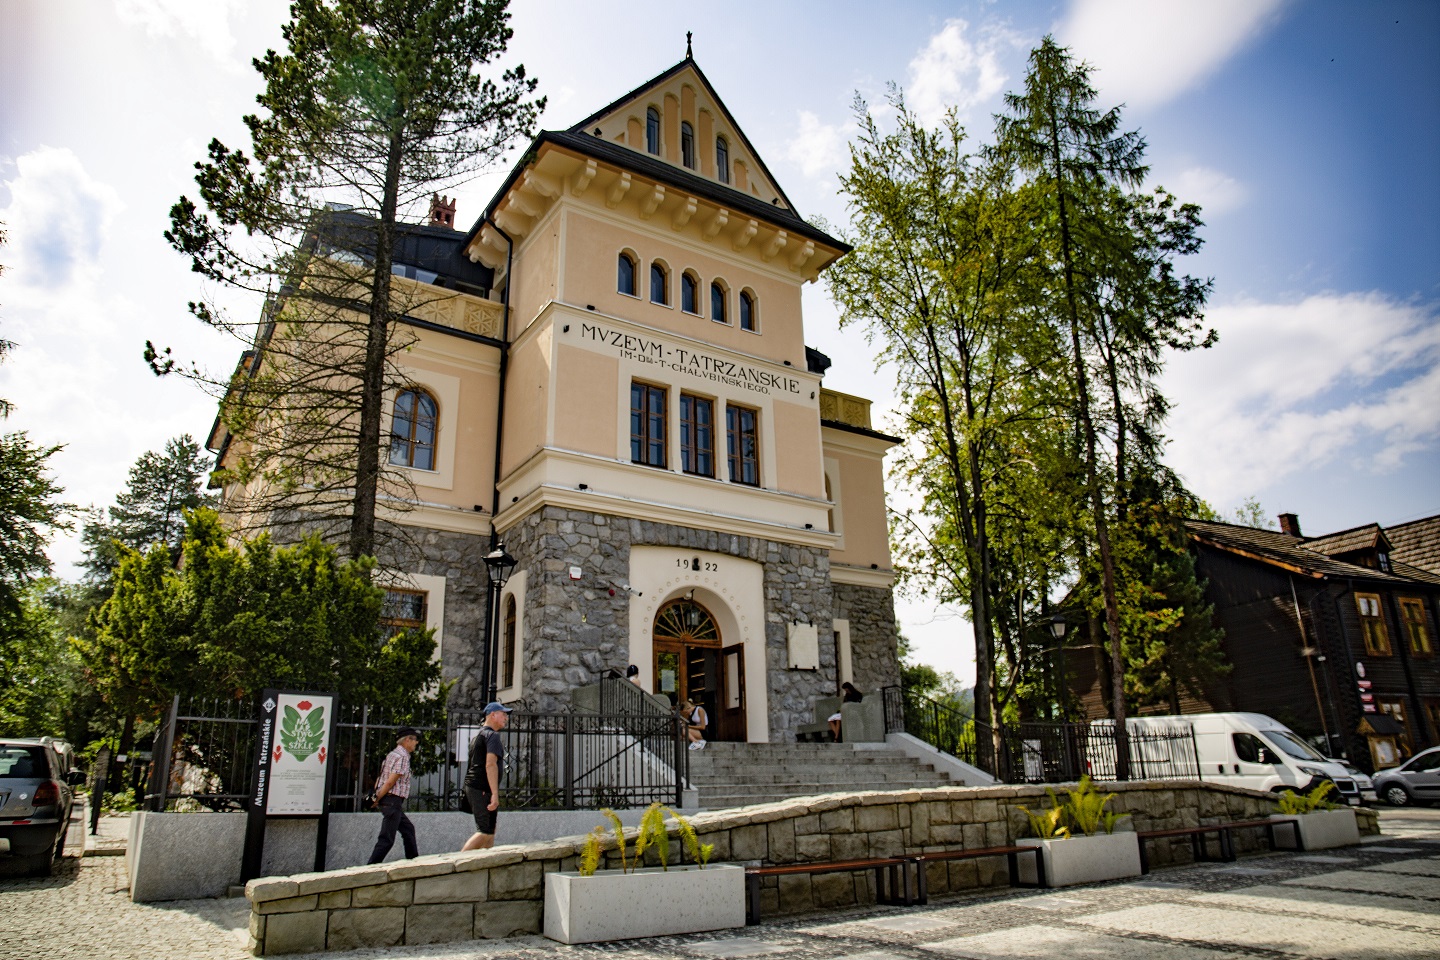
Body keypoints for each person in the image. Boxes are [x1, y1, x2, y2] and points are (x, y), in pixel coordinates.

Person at [460, 701, 512, 851]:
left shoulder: (479, 736)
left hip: (477, 787)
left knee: (490, 831)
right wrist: (495, 794)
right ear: (493, 715)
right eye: (503, 714)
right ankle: (456, 863)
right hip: (481, 788)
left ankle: (486, 864)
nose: (506, 718)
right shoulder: (492, 736)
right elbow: (490, 764)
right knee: (484, 832)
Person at [367, 727, 420, 864]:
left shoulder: (392, 754)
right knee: (386, 839)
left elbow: (381, 778)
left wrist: (377, 796)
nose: (417, 743)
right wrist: (377, 798)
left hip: (390, 802)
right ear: (407, 740)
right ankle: (370, 868)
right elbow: (390, 781)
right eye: (415, 740)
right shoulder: (402, 757)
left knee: (408, 829)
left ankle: (413, 862)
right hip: (392, 801)